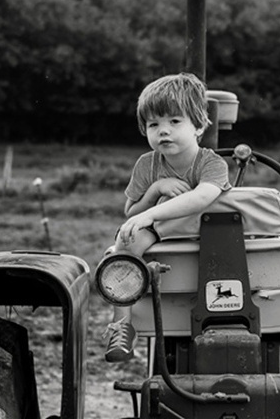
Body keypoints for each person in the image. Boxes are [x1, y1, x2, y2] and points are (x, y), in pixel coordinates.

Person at [103, 72, 231, 362]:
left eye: (174, 121)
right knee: (126, 241)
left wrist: (150, 214)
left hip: (206, 231)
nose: (163, 131)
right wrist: (156, 189)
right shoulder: (147, 165)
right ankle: (122, 326)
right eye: (154, 124)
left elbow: (201, 198)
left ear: (199, 126)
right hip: (161, 229)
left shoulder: (211, 164)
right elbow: (131, 212)